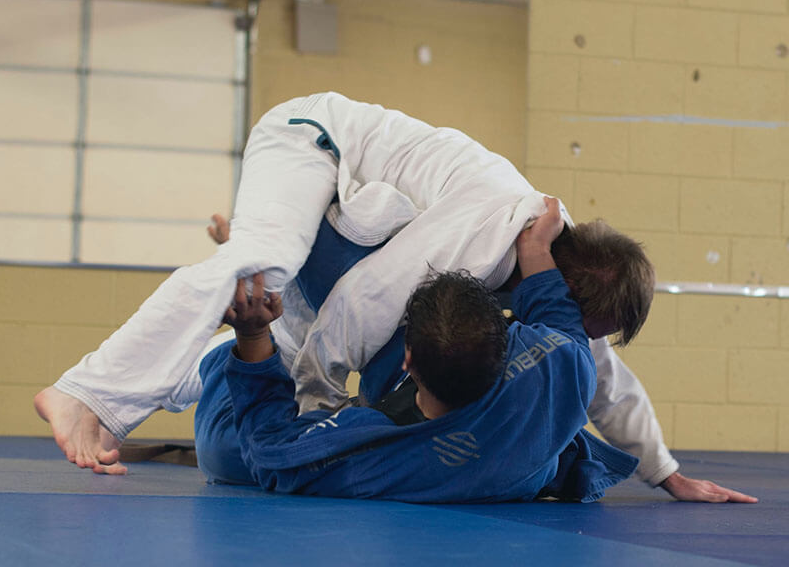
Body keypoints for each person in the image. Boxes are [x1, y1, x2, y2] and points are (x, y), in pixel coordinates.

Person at [34, 92, 756, 502]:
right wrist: (316, 411)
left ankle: (220, 355)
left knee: (279, 315)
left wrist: (666, 472)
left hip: (358, 211)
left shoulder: (551, 280)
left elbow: (601, 374)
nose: (580, 333)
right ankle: (88, 393)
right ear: (563, 285)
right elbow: (360, 301)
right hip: (309, 142)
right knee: (266, 263)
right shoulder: (486, 232)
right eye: (585, 320)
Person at [191, 198, 638, 502]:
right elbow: (556, 310)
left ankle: (220, 356)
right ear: (508, 338)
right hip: (494, 445)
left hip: (273, 397)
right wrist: (538, 249)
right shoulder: (563, 365)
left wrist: (251, 337)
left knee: (225, 454)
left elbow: (269, 451)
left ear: (408, 360)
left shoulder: (380, 454)